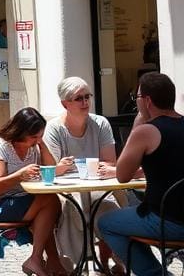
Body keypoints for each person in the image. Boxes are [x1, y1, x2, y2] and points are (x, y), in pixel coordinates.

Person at [98, 72, 184, 276]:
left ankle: (154, 273)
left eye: (137, 98)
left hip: (167, 219)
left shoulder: (146, 131)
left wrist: (138, 124)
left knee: (106, 223)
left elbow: (122, 175)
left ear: (147, 101)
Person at [44, 77, 124, 275]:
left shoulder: (100, 123)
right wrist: (60, 168)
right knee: (73, 209)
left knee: (107, 207)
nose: (85, 102)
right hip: (66, 189)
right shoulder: (54, 129)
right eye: (78, 98)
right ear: (65, 103)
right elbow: (51, 170)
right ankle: (76, 267)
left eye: (87, 96)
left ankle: (109, 263)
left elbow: (110, 162)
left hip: (97, 185)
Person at [0, 107, 69, 276]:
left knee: (47, 213)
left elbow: (50, 169)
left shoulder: (34, 146)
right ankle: (45, 261)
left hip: (22, 200)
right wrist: (19, 175)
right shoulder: (0, 146)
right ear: (19, 132)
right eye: (33, 136)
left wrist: (42, 145)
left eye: (40, 135)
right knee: (50, 201)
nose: (37, 140)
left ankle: (45, 262)